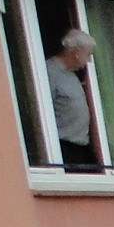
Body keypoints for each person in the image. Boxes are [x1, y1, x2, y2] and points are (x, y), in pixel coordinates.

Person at [47, 29, 100, 169]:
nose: (89, 61)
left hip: (80, 146)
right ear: (76, 52)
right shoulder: (50, 72)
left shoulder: (71, 74)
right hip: (63, 146)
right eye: (88, 54)